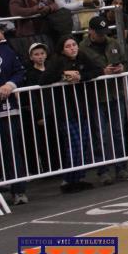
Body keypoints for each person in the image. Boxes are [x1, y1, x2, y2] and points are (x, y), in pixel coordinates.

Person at [42, 35, 103, 193]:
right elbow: (43, 79)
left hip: (82, 107)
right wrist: (63, 75)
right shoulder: (57, 61)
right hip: (66, 109)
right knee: (74, 144)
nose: (72, 48)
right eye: (68, 46)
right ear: (62, 49)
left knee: (84, 142)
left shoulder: (82, 56)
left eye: (74, 44)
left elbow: (97, 70)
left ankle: (79, 177)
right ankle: (68, 179)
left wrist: (81, 77)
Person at [80, 15, 128, 184]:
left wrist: (121, 68)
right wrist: (101, 72)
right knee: (100, 134)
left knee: (119, 131)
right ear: (90, 31)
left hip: (115, 93)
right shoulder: (82, 48)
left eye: (104, 32)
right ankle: (103, 170)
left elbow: (125, 62)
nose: (102, 36)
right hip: (97, 96)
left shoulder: (113, 43)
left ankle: (121, 168)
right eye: (99, 33)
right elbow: (82, 72)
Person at [0, 27, 28, 205]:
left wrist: (10, 85)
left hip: (6, 109)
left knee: (11, 149)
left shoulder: (7, 50)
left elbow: (20, 71)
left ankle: (19, 190)